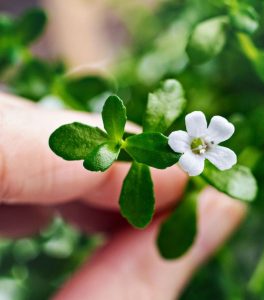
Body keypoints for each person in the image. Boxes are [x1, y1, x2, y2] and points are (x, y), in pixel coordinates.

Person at [0, 92, 246, 299]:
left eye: (202, 146)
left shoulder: (204, 152)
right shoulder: (183, 148)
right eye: (198, 144)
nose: (200, 145)